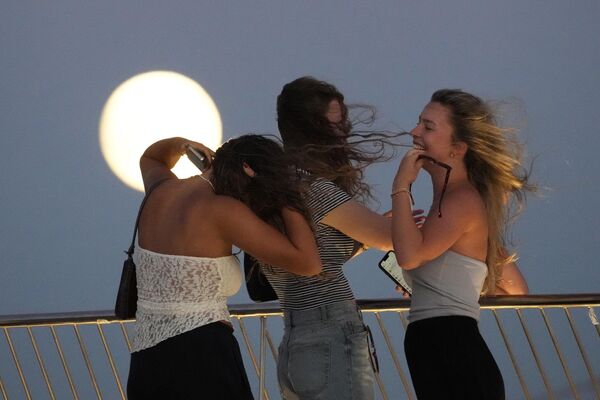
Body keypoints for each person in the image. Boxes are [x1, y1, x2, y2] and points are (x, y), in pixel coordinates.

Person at [126, 135, 322, 399]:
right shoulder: (222, 210)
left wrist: (183, 145)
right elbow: (308, 263)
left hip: (145, 361)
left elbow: (151, 158)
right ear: (248, 170)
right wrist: (286, 194)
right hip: (202, 358)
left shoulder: (160, 190)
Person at [262, 76, 416, 400]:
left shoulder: (275, 187)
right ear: (312, 128)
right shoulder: (312, 188)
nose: (343, 132)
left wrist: (363, 238)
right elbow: (394, 240)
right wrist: (403, 187)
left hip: (295, 339)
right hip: (330, 331)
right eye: (336, 124)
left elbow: (317, 256)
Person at [391, 89, 532, 399]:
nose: (415, 132)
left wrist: (401, 186)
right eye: (419, 123)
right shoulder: (453, 201)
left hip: (452, 354)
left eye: (428, 127)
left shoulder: (462, 199)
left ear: (457, 148)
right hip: (444, 352)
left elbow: (410, 256)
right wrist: (453, 287)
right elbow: (516, 289)